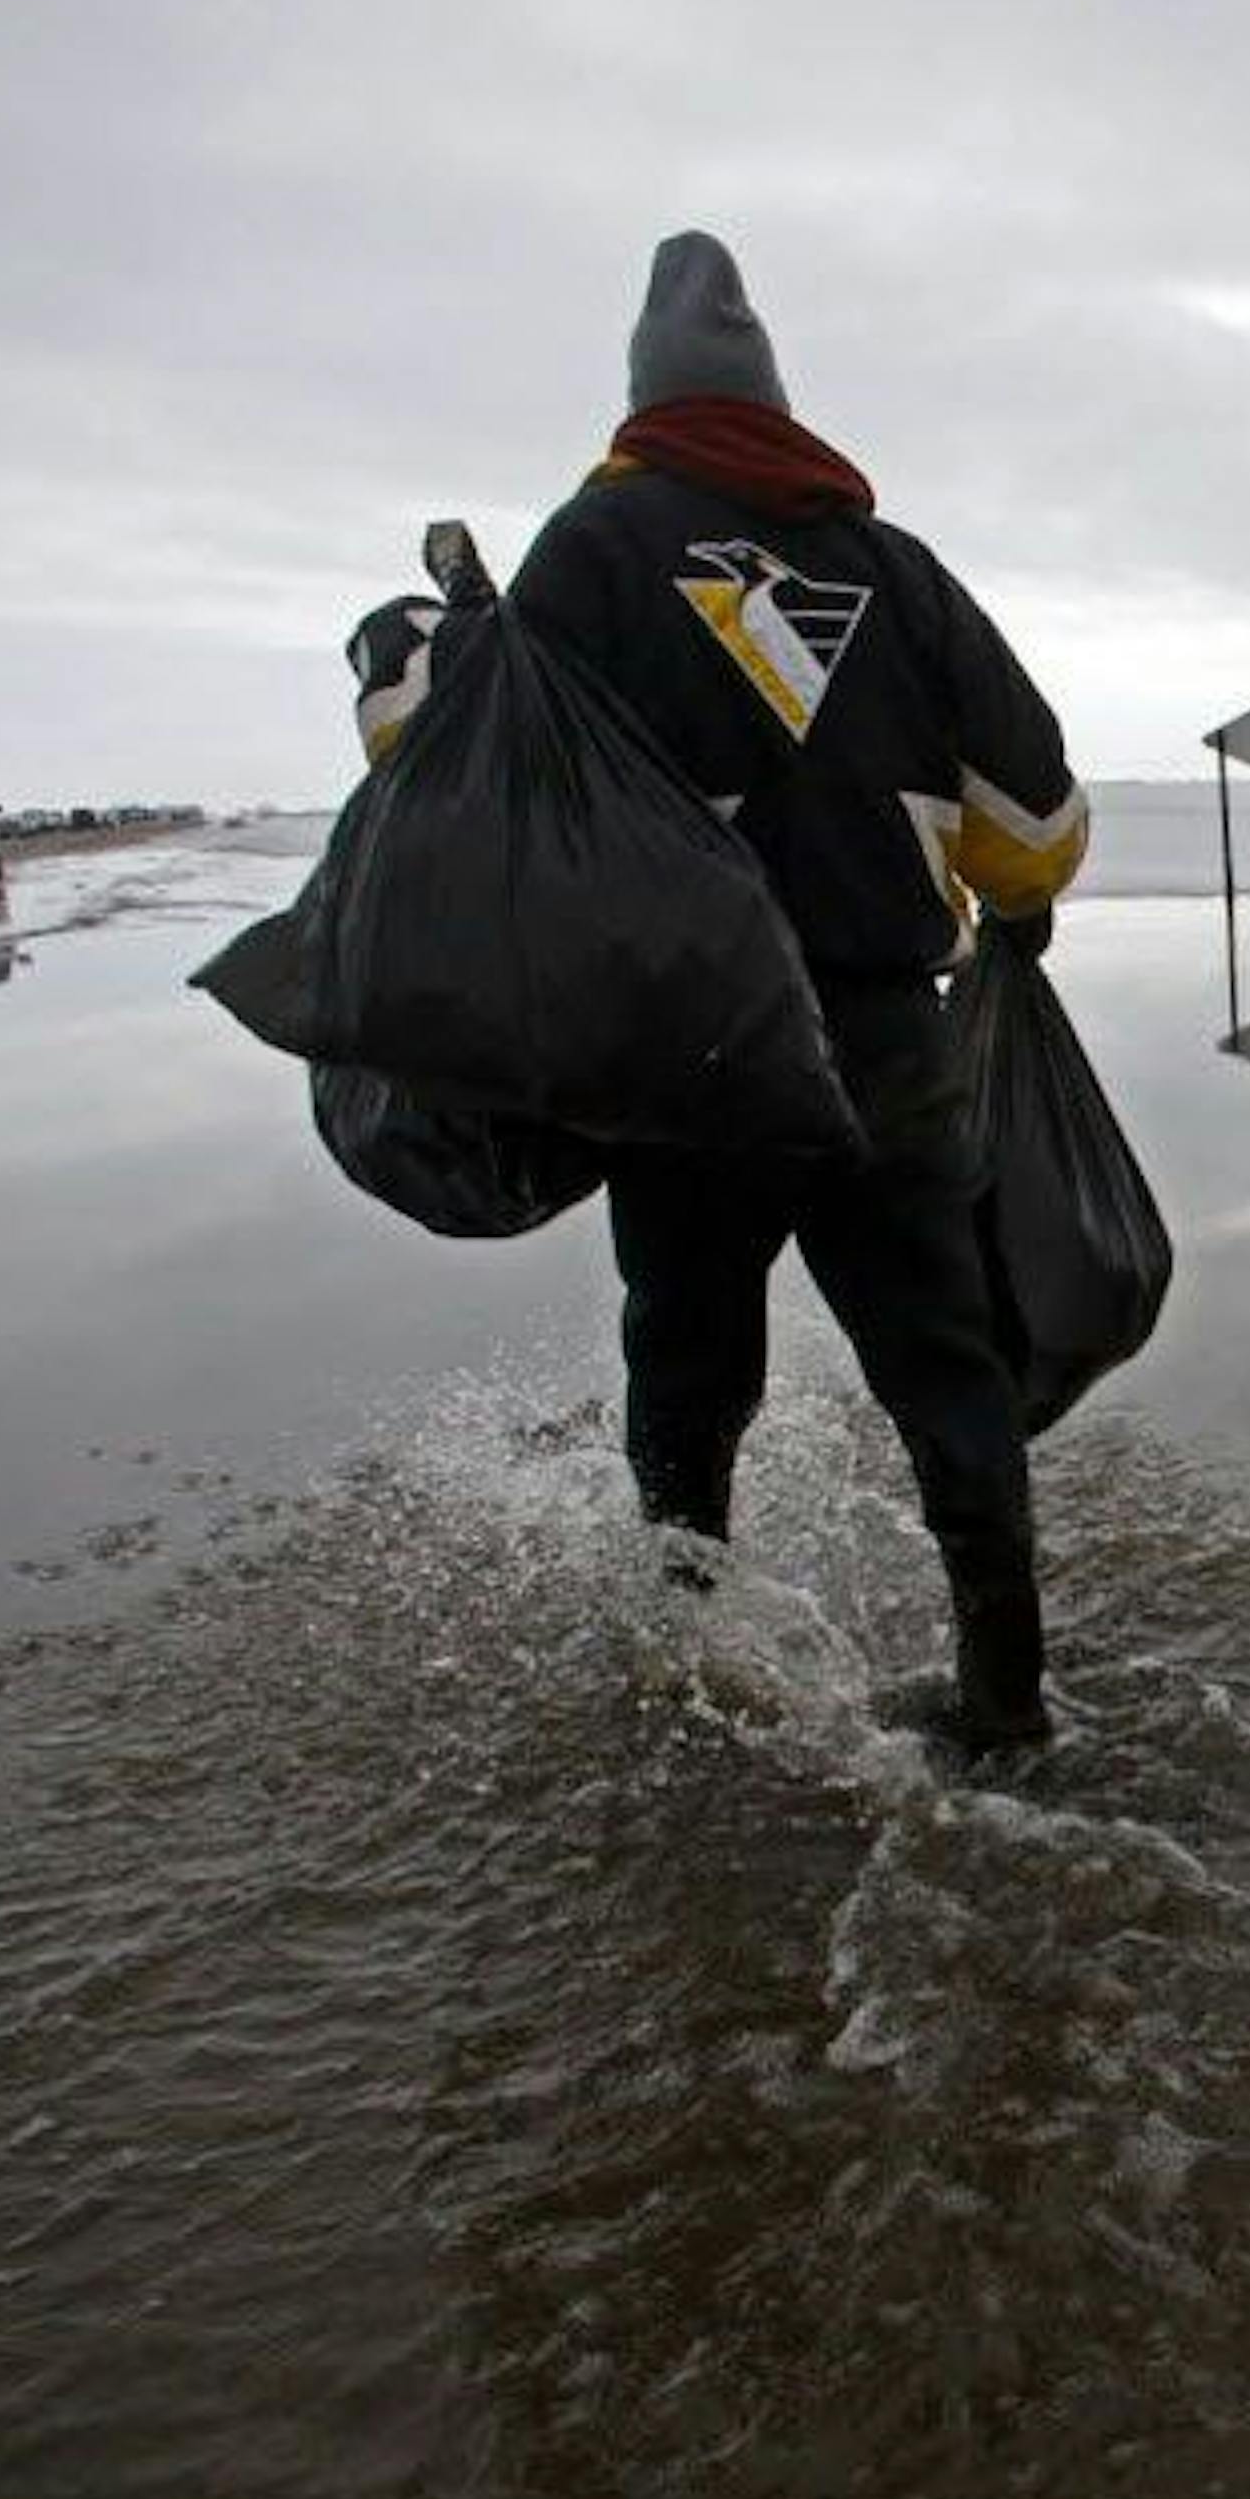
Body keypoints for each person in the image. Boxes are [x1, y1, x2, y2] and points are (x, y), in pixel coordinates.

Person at [370, 233, 1089, 1750]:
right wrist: (1001, 906)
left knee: (689, 1365)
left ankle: (689, 1672)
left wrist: (401, 664)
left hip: (687, 1053)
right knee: (944, 1371)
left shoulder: (598, 550)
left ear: (644, 407)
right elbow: (1034, 828)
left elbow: (477, 760)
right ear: (779, 402)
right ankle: (1008, 1697)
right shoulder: (898, 573)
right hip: (884, 1045)